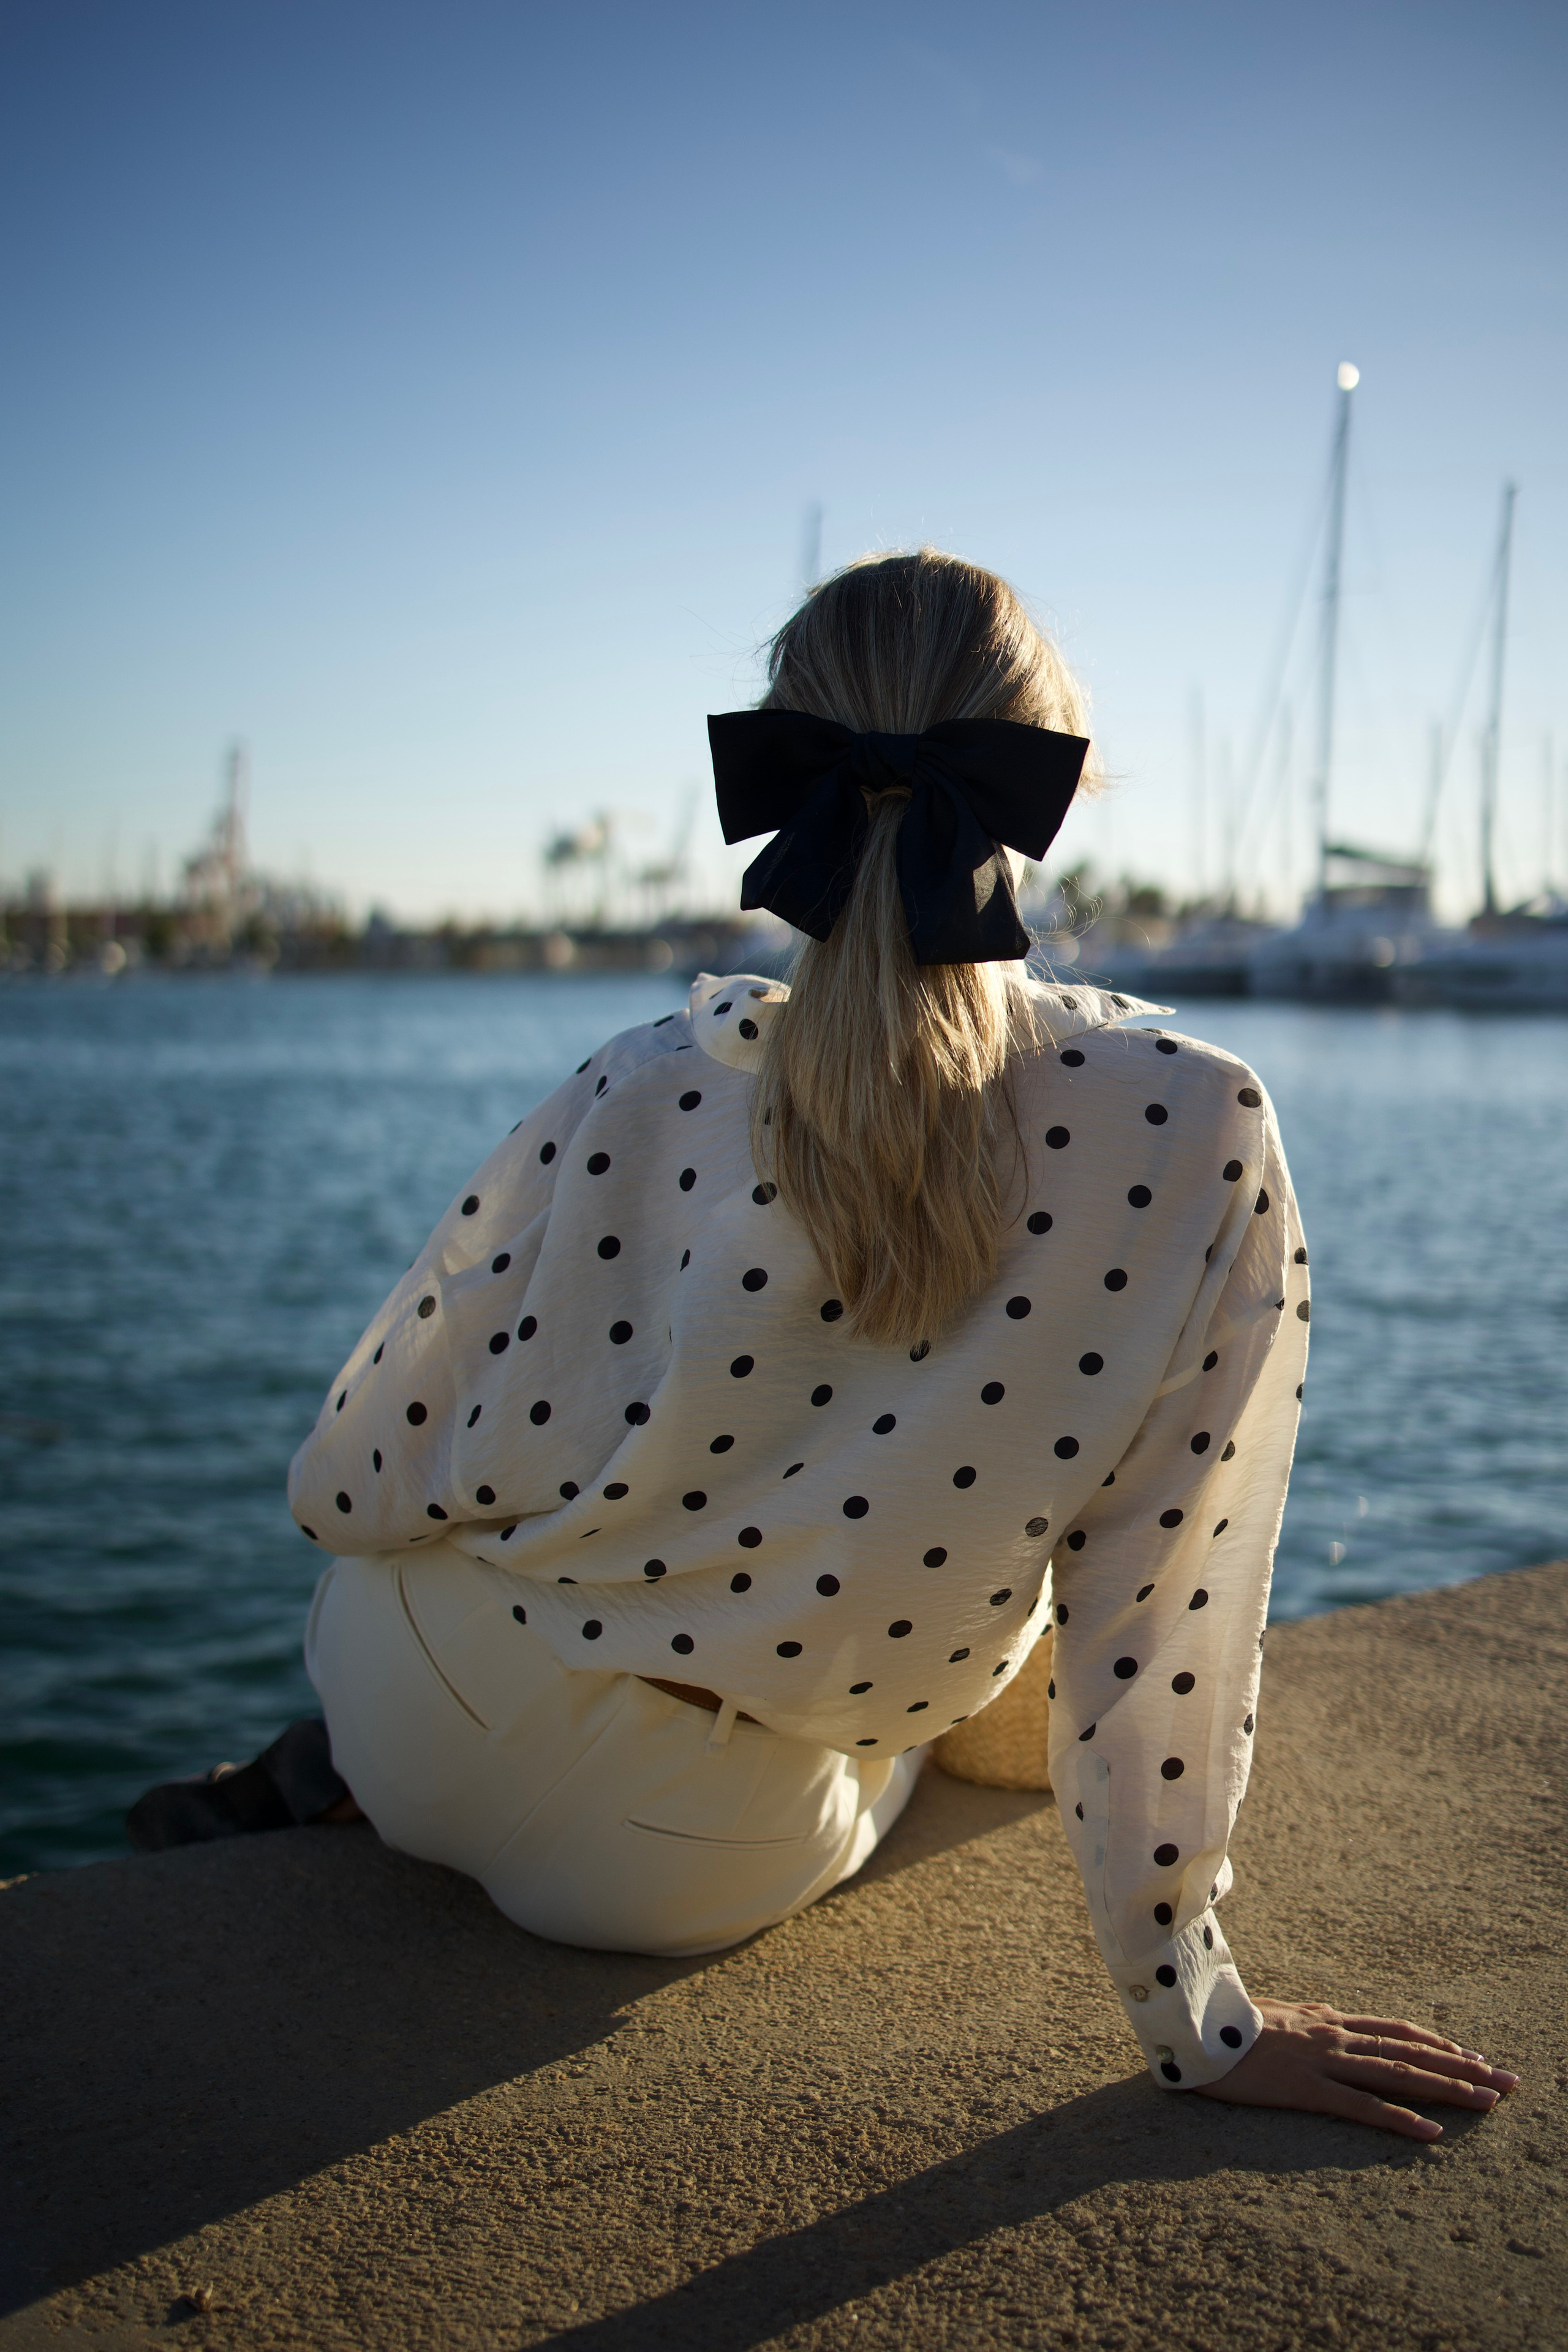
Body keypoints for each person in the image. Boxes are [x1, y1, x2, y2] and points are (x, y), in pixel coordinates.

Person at [130, 550, 1515, 2139]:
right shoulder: (1194, 1122)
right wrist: (1196, 2015)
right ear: (1044, 776)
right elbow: (1168, 1606)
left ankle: (342, 1779)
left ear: (790, 765)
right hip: (678, 1851)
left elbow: (354, 1482)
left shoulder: (646, 1075)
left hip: (412, 1702)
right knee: (973, 1707)